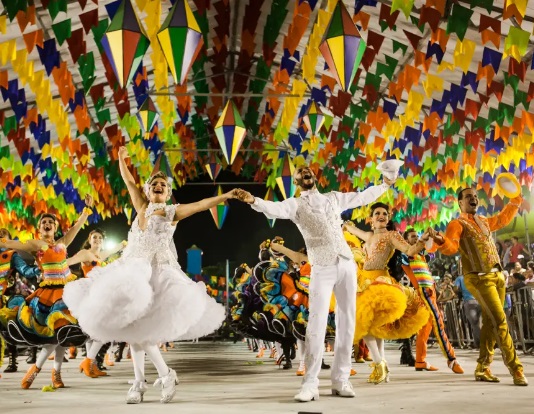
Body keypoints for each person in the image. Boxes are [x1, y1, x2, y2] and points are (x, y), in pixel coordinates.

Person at [63, 146, 227, 404]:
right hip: (130, 271)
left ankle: (155, 377)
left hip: (157, 275)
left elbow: (200, 204)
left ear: (168, 192)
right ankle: (144, 380)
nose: (158, 186)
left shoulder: (172, 212)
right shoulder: (141, 206)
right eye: (154, 184)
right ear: (148, 191)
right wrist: (120, 159)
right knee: (132, 330)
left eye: (163, 184)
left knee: (140, 332)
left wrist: (226, 195)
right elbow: (129, 180)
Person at [235, 165, 392, 402]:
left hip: (346, 263)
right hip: (322, 267)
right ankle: (310, 384)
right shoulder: (295, 205)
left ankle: (341, 380)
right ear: (297, 182)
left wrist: (385, 185)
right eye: (299, 173)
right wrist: (253, 200)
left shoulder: (333, 198)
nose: (304, 172)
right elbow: (273, 209)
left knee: (347, 322)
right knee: (316, 325)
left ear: (314, 176)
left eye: (307, 170)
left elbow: (362, 197)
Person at [430, 187, 528, 386]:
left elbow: (501, 220)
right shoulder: (457, 223)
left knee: (492, 323)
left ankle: (483, 367)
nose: (474, 199)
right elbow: (451, 246)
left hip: (497, 277)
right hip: (478, 279)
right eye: (468, 197)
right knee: (500, 320)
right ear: (460, 203)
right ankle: (516, 369)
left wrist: (515, 201)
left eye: (475, 196)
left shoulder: (483, 221)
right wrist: (440, 240)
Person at [0, 195, 97, 389]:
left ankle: (56, 374)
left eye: (50, 222)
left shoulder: (62, 243)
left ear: (55, 227)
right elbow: (13, 244)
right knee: (55, 337)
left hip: (66, 293)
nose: (47, 224)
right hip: (47, 296)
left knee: (62, 337)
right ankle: (36, 370)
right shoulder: (36, 244)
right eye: (43, 222)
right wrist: (4, 240)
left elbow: (76, 228)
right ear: (39, 228)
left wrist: (86, 210)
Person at [343, 205, 430, 384]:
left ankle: (378, 363)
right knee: (376, 328)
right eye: (377, 214)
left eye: (384, 214)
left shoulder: (392, 236)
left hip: (380, 281)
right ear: (371, 219)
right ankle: (384, 366)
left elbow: (410, 251)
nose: (381, 216)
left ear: (388, 219)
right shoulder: (368, 236)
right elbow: (350, 228)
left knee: (365, 325)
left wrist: (422, 240)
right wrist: (343, 224)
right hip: (362, 282)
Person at [401, 228, 463, 374]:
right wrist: (424, 238)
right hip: (423, 292)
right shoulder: (406, 253)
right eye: (412, 237)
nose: (416, 239)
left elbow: (435, 245)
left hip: (429, 291)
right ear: (406, 240)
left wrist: (433, 235)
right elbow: (413, 251)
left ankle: (420, 361)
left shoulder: (421, 254)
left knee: (426, 327)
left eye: (417, 236)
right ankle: (451, 359)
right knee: (438, 322)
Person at [68, 229, 127, 378]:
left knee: (93, 333)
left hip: (100, 294)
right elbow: (67, 263)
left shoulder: (100, 255)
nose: (97, 239)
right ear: (89, 239)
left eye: (100, 237)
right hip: (90, 294)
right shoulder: (85, 254)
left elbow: (117, 248)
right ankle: (88, 361)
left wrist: (125, 244)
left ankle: (90, 365)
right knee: (104, 330)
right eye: (94, 237)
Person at [0, 228, 41, 373]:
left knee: (7, 329)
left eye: (3, 234)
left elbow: (26, 270)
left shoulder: (12, 255)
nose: (0, 235)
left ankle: (13, 361)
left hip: (9, 297)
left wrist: (40, 268)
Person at [454, 274, 481, 349]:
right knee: (481, 323)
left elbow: (455, 289)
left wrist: (460, 294)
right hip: (481, 300)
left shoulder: (460, 278)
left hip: (469, 301)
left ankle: (480, 343)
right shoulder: (476, 276)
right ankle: (481, 343)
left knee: (475, 324)